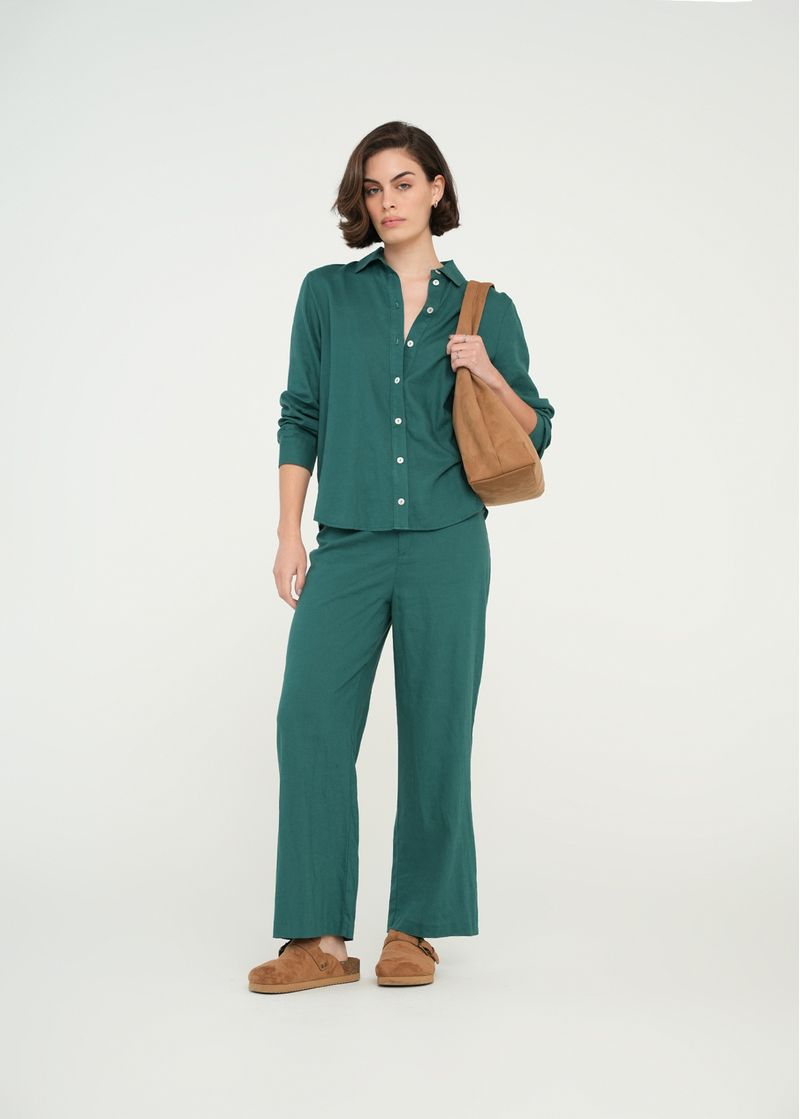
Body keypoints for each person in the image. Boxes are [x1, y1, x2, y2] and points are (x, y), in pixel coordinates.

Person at [248, 121, 554, 995]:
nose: (388, 201)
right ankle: (316, 939)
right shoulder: (328, 295)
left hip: (448, 544)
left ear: (437, 189)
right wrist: (288, 532)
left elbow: (538, 430)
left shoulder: (486, 306)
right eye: (374, 188)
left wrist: (487, 370)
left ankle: (413, 928)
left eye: (404, 183)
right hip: (346, 542)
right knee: (308, 719)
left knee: (436, 731)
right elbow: (300, 412)